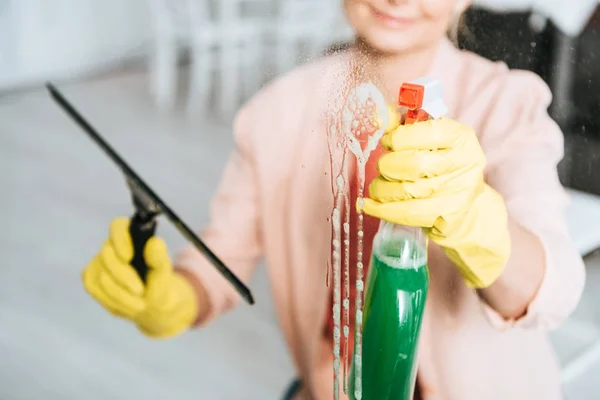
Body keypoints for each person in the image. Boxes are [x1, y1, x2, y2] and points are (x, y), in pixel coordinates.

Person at [82, 1, 586, 399]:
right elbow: (222, 259)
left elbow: (555, 289)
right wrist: (171, 295)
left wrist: (479, 224)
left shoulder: (508, 104)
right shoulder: (274, 112)